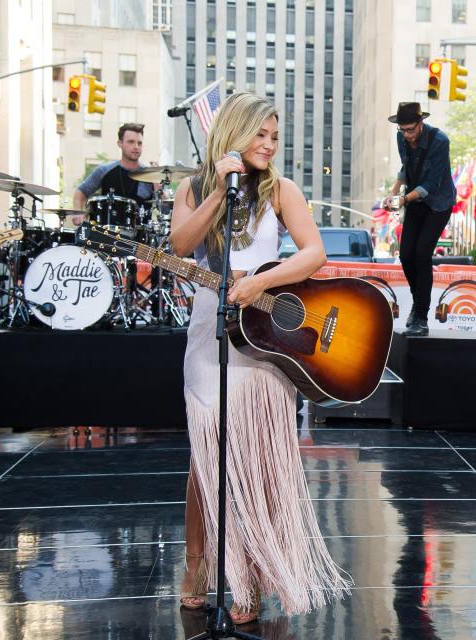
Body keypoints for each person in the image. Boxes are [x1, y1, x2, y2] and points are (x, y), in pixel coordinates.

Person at [169, 92, 350, 624]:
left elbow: (315, 253)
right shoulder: (195, 187)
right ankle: (197, 567)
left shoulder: (282, 190)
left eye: (275, 136)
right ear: (233, 132)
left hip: (267, 339)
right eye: (260, 134)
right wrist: (217, 197)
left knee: (260, 461)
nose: (270, 145)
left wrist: (263, 281)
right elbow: (180, 246)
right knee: (206, 459)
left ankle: (249, 574)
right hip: (209, 337)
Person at [382, 102, 457, 337]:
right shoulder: (401, 138)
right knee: (405, 255)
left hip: (438, 203)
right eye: (403, 130)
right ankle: (418, 303)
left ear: (421, 124)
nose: (407, 135)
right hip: (414, 201)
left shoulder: (439, 142)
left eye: (411, 130)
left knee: (422, 254)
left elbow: (432, 184)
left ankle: (421, 317)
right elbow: (406, 168)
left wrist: (403, 200)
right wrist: (393, 193)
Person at [72, 123, 154, 224]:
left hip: (140, 236)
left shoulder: (151, 175)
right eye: (131, 142)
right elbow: (81, 192)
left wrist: (160, 188)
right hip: (107, 234)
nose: (136, 147)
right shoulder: (104, 170)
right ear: (120, 143)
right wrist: (78, 212)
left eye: (139, 143)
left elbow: (166, 208)